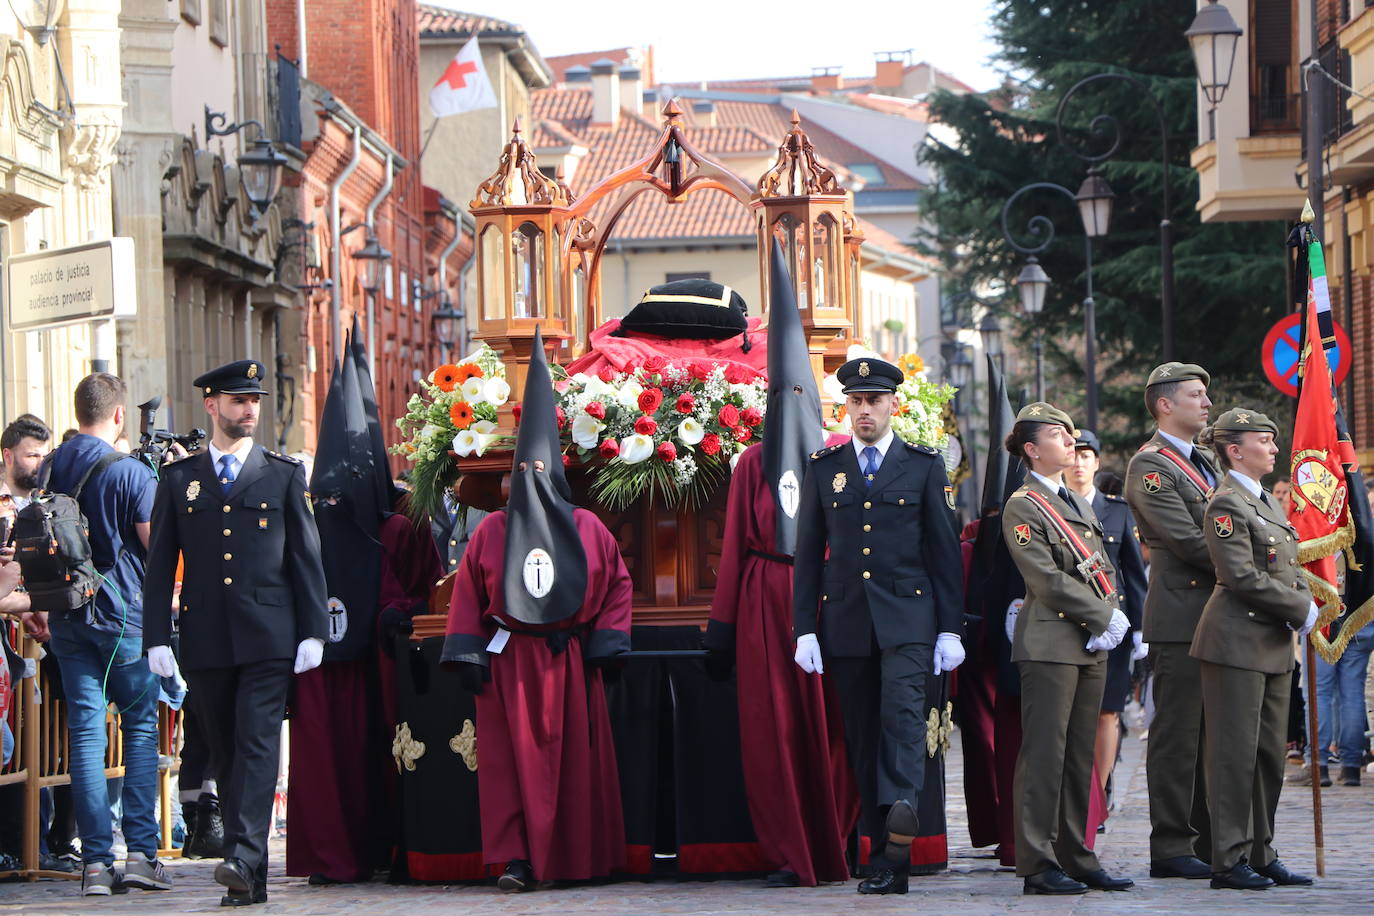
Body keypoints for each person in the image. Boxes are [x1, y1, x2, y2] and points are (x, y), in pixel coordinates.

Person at [442, 329, 632, 891]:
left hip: (568, 662)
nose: (528, 482)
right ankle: (517, 858)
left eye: (538, 472)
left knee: (573, 768)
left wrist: (604, 644)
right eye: (520, 473)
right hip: (511, 669)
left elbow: (617, 586)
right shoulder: (493, 533)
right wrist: (469, 652)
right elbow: (469, 598)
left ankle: (578, 857)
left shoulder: (587, 528)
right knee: (511, 769)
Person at [143, 359, 328, 907]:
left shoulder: (283, 473)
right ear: (211, 405)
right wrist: (157, 636)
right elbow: (160, 565)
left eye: (254, 400)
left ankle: (244, 855)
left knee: (255, 742)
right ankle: (250, 880)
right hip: (205, 636)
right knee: (223, 748)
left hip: (270, 635)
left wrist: (314, 630)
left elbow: (306, 558)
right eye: (237, 400)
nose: (248, 409)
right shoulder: (180, 479)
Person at [704, 246, 854, 888]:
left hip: (828, 595)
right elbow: (736, 543)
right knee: (775, 725)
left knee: (835, 723)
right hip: (768, 602)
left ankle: (841, 836)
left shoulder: (844, 453)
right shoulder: (749, 465)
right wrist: (722, 625)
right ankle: (792, 846)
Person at [792, 355, 965, 896]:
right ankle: (883, 850)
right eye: (855, 402)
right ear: (846, 407)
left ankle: (899, 829)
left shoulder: (922, 465)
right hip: (845, 622)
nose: (863, 410)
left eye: (873, 401)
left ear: (894, 405)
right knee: (864, 736)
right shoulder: (825, 466)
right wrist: (804, 628)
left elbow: (943, 554)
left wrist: (950, 629)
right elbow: (808, 556)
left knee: (904, 721)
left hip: (909, 621)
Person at [41, 374, 167, 895]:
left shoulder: (53, 466)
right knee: (139, 728)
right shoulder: (131, 471)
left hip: (68, 616)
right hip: (123, 617)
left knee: (87, 735)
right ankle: (139, 853)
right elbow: (157, 547)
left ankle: (95, 864)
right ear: (119, 416)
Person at [1000, 403, 1133, 895]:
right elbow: (1046, 578)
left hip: (1087, 643)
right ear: (1033, 449)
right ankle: (1037, 861)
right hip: (1051, 642)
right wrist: (1103, 615)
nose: (1071, 443)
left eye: (1071, 434)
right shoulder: (1024, 504)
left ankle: (1077, 854)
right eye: (1059, 436)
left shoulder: (1075, 502)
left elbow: (1099, 565)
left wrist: (1109, 616)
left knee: (1080, 755)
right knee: (1044, 755)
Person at [1191, 408, 1317, 890]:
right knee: (1233, 755)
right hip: (1236, 642)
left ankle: (1261, 851)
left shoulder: (1266, 501)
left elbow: (1287, 563)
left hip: (1272, 642)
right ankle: (1227, 859)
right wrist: (1295, 605)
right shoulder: (1226, 504)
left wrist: (1304, 597)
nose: (1273, 448)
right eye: (1263, 441)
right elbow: (1239, 576)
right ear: (1234, 450)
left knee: (1267, 755)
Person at [1124, 362, 1218, 879]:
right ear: (1165, 404)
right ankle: (1172, 846)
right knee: (1178, 735)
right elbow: (1190, 541)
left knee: (1210, 736)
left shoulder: (1203, 460)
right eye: (1195, 395)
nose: (1206, 403)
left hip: (1216, 615)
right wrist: (1263, 561)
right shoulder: (1151, 466)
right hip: (1180, 614)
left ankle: (1209, 841)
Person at [1067, 432, 1148, 806]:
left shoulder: (1117, 510)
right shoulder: (1050, 506)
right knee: (1071, 714)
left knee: (1107, 712)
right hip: (1067, 624)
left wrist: (1140, 627)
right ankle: (1076, 790)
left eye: (1088, 456)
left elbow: (1133, 572)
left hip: (1112, 626)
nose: (1080, 462)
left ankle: (1098, 793)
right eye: (1075, 454)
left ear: (1097, 464)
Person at [2, 414, 52, 509]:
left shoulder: (51, 504)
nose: (41, 464)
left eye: (45, 457)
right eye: (32, 456)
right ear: (8, 457)